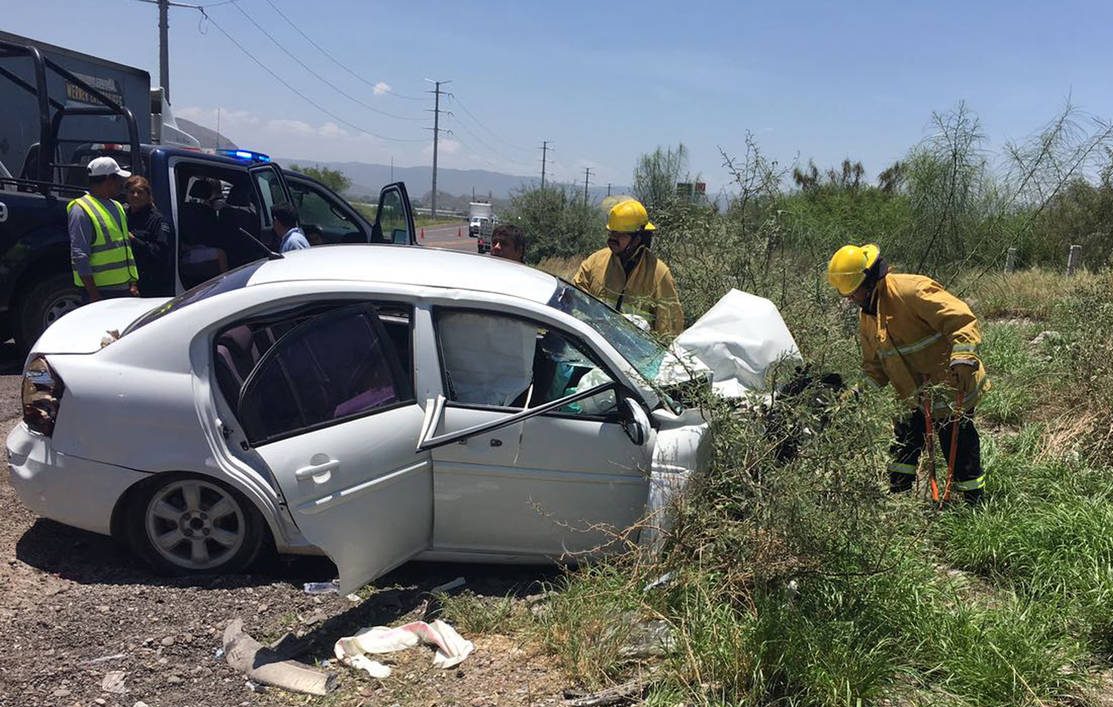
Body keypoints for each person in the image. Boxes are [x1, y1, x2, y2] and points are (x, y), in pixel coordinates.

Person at [827, 243, 989, 504]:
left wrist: (963, 357)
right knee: (904, 448)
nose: (848, 298)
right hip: (912, 395)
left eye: (852, 292)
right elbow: (874, 367)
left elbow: (961, 319)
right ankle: (899, 505)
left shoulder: (911, 290)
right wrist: (855, 393)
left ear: (868, 281)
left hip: (950, 387)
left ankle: (974, 505)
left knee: (958, 448)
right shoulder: (868, 315)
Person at [572, 198, 683, 336]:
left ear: (637, 238)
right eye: (612, 233)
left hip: (635, 357)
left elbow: (669, 332)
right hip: (596, 351)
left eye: (620, 235)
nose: (612, 239)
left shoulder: (659, 274)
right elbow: (573, 303)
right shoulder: (594, 263)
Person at [68, 156, 139, 302]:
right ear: (108, 180)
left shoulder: (118, 206)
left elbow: (125, 249)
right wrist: (94, 296)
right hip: (100, 293)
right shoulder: (80, 209)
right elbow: (79, 255)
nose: (122, 184)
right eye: (119, 179)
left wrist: (133, 283)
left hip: (124, 290)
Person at [123, 175, 173, 296]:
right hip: (125, 280)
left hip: (149, 282)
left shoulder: (157, 220)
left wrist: (134, 240)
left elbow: (161, 252)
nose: (135, 195)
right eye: (132, 192)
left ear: (148, 195)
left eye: (140, 192)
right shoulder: (122, 215)